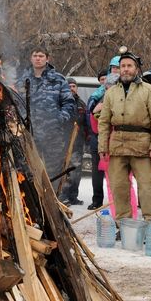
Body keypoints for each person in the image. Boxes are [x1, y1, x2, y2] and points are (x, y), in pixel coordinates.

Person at [98, 50, 151, 223]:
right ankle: (123, 225)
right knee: (119, 187)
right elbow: (103, 122)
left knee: (148, 187)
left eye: (129, 66)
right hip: (117, 146)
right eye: (122, 66)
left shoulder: (150, 90)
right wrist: (102, 146)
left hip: (142, 145)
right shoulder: (110, 92)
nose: (125, 69)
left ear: (136, 69)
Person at [17, 47, 75, 189]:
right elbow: (16, 102)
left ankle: (53, 203)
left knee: (54, 171)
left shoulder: (58, 80)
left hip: (53, 134)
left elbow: (69, 103)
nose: (38, 58)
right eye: (35, 55)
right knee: (29, 169)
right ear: (31, 58)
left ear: (47, 59)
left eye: (41, 56)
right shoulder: (23, 80)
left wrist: (59, 119)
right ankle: (34, 204)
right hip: (30, 133)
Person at [87, 63, 117, 210]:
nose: (107, 85)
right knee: (97, 172)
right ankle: (97, 200)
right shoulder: (97, 98)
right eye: (105, 82)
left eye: (110, 83)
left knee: (117, 173)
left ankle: (118, 201)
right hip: (98, 138)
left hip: (115, 140)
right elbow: (92, 118)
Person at [59, 78, 89, 206]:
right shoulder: (61, 102)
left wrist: (87, 138)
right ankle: (63, 196)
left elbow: (86, 122)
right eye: (69, 86)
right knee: (66, 170)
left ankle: (73, 196)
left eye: (73, 86)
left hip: (78, 141)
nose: (71, 88)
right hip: (64, 142)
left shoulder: (81, 103)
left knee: (77, 171)